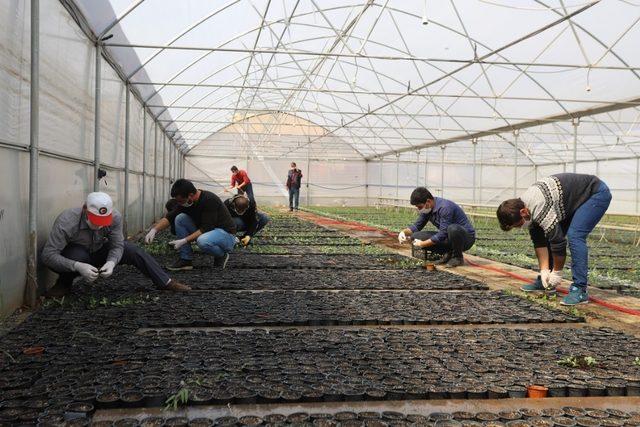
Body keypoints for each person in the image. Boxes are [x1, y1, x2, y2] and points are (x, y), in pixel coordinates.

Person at [41, 192, 190, 297]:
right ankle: (64, 283)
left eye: (103, 220)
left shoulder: (115, 217)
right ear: (85, 209)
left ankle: (165, 282)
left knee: (132, 250)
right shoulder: (67, 221)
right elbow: (48, 255)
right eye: (95, 220)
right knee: (77, 255)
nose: (99, 225)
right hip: (77, 255)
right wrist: (76, 266)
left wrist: (112, 262)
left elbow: (117, 245)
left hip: (99, 249)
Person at [497, 173, 611, 306]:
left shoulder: (539, 206)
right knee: (551, 233)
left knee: (575, 235)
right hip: (572, 200)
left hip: (593, 193)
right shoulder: (526, 207)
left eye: (518, 225)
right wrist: (544, 270)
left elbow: (558, 243)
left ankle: (580, 289)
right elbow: (539, 242)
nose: (520, 227)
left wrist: (557, 273)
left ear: (523, 212)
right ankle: (545, 282)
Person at [145, 179, 237, 270]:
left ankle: (221, 255)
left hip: (226, 235)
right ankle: (186, 259)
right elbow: (170, 217)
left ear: (191, 195)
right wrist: (154, 230)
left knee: (202, 241)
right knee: (180, 218)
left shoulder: (209, 200)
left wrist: (184, 240)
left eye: (181, 201)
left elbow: (206, 228)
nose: (179, 204)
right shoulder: (186, 202)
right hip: (209, 232)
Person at [397, 187, 476, 268]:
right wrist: (403, 232)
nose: (419, 209)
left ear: (428, 201)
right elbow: (416, 226)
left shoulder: (445, 208)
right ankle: (448, 253)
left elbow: (442, 234)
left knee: (453, 229)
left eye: (420, 207)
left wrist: (422, 244)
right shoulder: (427, 209)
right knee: (415, 236)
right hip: (448, 236)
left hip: (465, 239)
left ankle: (457, 257)